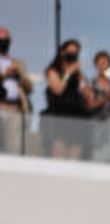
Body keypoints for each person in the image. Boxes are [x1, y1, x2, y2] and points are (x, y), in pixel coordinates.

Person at [42, 39, 91, 159]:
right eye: (70, 51)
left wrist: (80, 76)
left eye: (75, 53)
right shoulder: (53, 71)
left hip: (77, 118)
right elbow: (58, 89)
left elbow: (87, 94)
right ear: (62, 52)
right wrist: (68, 72)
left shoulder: (78, 74)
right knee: (58, 152)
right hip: (59, 118)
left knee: (75, 154)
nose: (72, 55)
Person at [0, 27, 34, 158]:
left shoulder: (18, 63)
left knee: (14, 150)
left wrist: (19, 76)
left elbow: (30, 88)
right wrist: (4, 75)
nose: (3, 42)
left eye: (5, 40)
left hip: (15, 109)